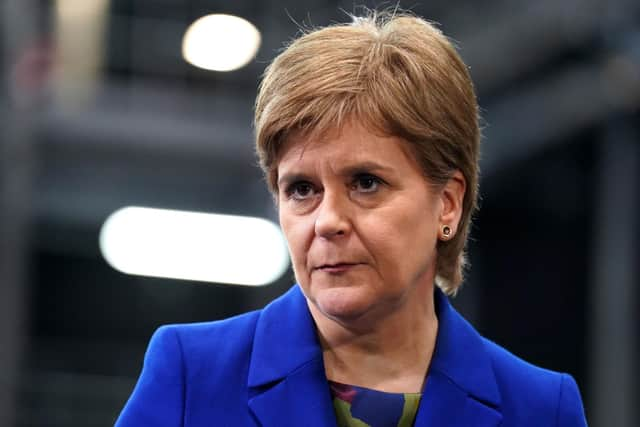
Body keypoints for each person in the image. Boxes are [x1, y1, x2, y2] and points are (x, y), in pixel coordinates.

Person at [116, 10, 588, 427]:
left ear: (447, 202)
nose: (327, 221)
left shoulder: (542, 408)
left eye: (365, 183)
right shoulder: (191, 375)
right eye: (302, 189)